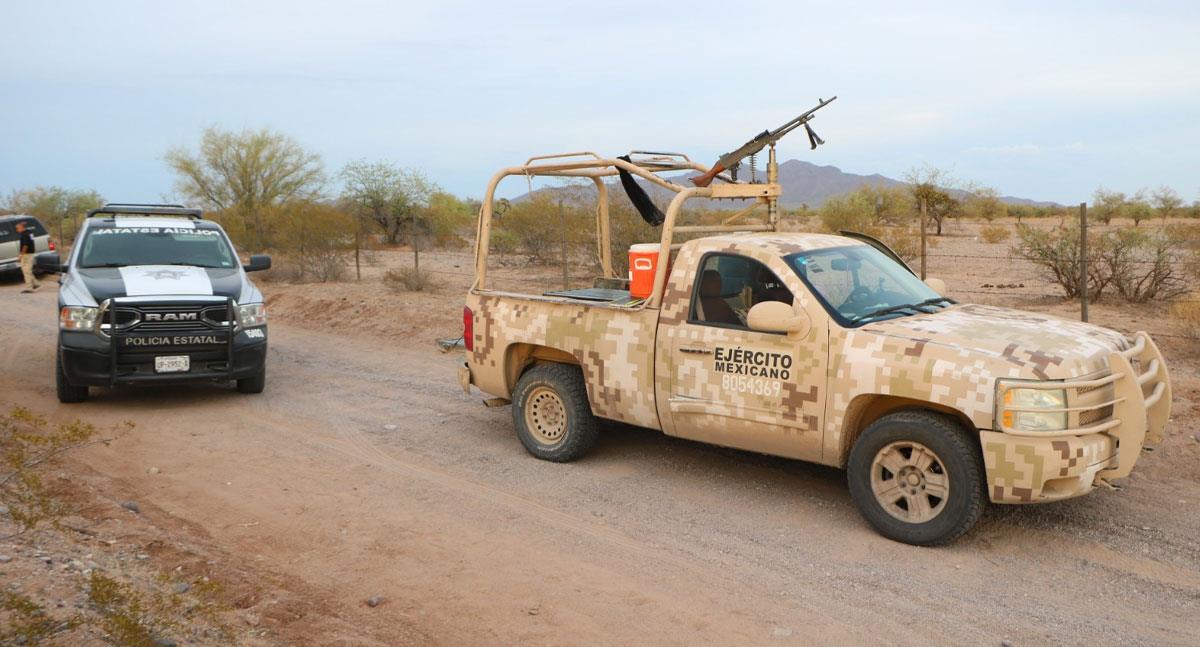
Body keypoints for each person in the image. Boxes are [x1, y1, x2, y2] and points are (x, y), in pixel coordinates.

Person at [16, 221, 41, 293]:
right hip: (30, 253)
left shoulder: (24, 234)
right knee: (26, 270)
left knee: (26, 271)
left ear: (21, 227)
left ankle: (29, 288)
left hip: (27, 254)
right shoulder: (30, 232)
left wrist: (20, 255)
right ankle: (36, 283)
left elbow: (25, 245)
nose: (17, 230)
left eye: (17, 228)